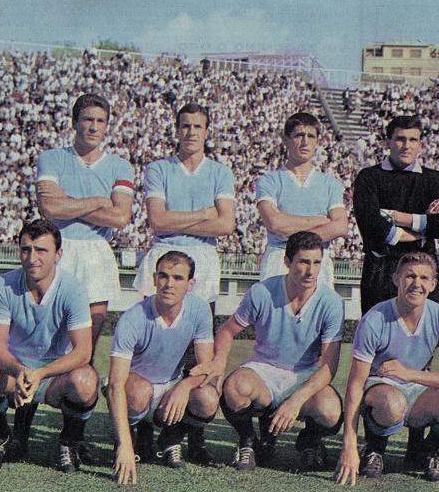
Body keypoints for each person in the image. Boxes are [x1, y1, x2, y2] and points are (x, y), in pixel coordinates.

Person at [190, 231, 344, 472]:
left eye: (316, 263)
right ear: (287, 261)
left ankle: (309, 441)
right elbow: (227, 331)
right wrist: (219, 361)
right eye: (304, 262)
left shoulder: (331, 302)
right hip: (264, 371)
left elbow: (328, 366)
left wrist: (295, 401)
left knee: (331, 411)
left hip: (305, 373)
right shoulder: (262, 292)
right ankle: (249, 441)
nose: (311, 271)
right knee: (234, 388)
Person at [352, 114, 439, 459]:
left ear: (421, 143)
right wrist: (422, 226)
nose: (406, 145)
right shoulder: (369, 177)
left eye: (412, 140)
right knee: (377, 358)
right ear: (388, 141)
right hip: (380, 273)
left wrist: (397, 217)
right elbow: (370, 224)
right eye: (399, 139)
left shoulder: (434, 179)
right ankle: (375, 444)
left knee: (421, 357)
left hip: (422, 275)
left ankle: (416, 443)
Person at [0, 219, 98, 473]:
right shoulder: (3, 284)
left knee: (85, 381)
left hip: (53, 377)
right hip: (14, 374)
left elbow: (83, 351)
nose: (32, 258)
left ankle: (69, 440)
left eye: (41, 250)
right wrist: (20, 371)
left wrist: (40, 373)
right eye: (26, 249)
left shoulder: (72, 289)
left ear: (58, 255)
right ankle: (0, 437)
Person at [335, 252, 439, 485]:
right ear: (396, 279)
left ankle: (426, 450)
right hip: (381, 387)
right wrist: (349, 445)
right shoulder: (375, 319)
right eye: (410, 276)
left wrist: (409, 374)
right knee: (391, 403)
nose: (417, 283)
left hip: (417, 387)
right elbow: (355, 384)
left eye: (424, 278)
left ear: (433, 284)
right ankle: (375, 448)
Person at [105, 251, 219, 485]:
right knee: (139, 392)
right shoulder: (133, 318)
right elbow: (116, 384)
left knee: (208, 397)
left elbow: (206, 368)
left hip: (170, 386)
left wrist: (184, 386)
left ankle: (170, 438)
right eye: (163, 276)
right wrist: (124, 446)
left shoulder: (199, 309)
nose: (169, 284)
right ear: (155, 279)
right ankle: (130, 438)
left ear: (190, 284)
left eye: (178, 278)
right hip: (134, 389)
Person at [37, 93, 134, 354]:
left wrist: (68, 204)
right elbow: (49, 208)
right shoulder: (51, 158)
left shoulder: (120, 166)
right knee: (48, 335)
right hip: (58, 247)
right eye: (87, 119)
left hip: (96, 251)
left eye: (100, 121)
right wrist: (99, 202)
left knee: (87, 342)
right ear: (74, 122)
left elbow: (120, 217)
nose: (93, 127)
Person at [133, 102, 236, 312]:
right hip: (164, 254)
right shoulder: (158, 169)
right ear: (177, 130)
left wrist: (173, 222)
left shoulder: (221, 172)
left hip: (204, 258)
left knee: (199, 329)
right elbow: (158, 221)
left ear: (206, 132)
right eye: (186, 126)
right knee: (155, 327)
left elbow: (226, 225)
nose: (192, 132)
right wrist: (204, 214)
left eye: (198, 127)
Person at [256, 112, 348, 286]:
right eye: (299, 135)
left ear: (317, 141)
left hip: (318, 259)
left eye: (311, 136)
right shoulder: (269, 180)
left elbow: (340, 226)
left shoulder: (330, 183)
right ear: (286, 140)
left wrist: (289, 224)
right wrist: (319, 221)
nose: (305, 142)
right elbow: (274, 223)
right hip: (280, 258)